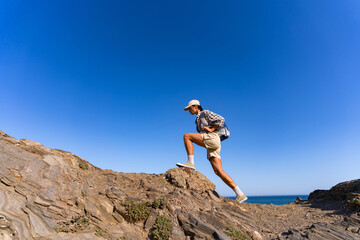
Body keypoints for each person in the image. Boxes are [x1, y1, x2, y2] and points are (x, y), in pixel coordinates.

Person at [176, 99, 247, 203]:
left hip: (213, 138)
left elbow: (221, 119)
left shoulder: (205, 113)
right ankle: (240, 194)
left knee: (187, 136)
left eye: (189, 108)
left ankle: (190, 162)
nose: (189, 110)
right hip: (212, 144)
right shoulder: (197, 120)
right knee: (218, 171)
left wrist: (212, 129)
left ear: (196, 106)